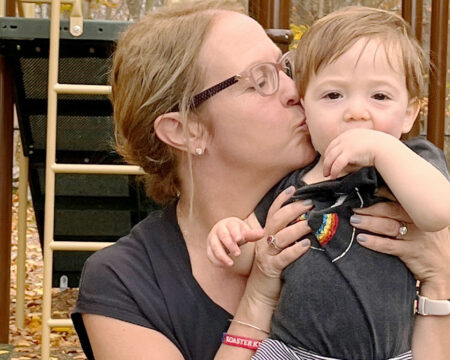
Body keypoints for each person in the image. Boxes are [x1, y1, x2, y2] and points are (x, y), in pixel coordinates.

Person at [71, 2, 450, 360]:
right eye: (261, 80)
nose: (294, 91)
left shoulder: (398, 193)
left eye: (285, 68)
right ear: (187, 130)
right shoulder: (128, 283)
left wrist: (440, 284)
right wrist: (259, 294)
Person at [206, 6, 450, 360]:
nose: (356, 112)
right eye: (333, 96)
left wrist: (383, 148)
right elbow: (252, 255)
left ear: (410, 112)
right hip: (291, 350)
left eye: (379, 96)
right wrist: (231, 233)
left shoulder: (412, 163)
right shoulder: (295, 180)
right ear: (305, 106)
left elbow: (437, 213)